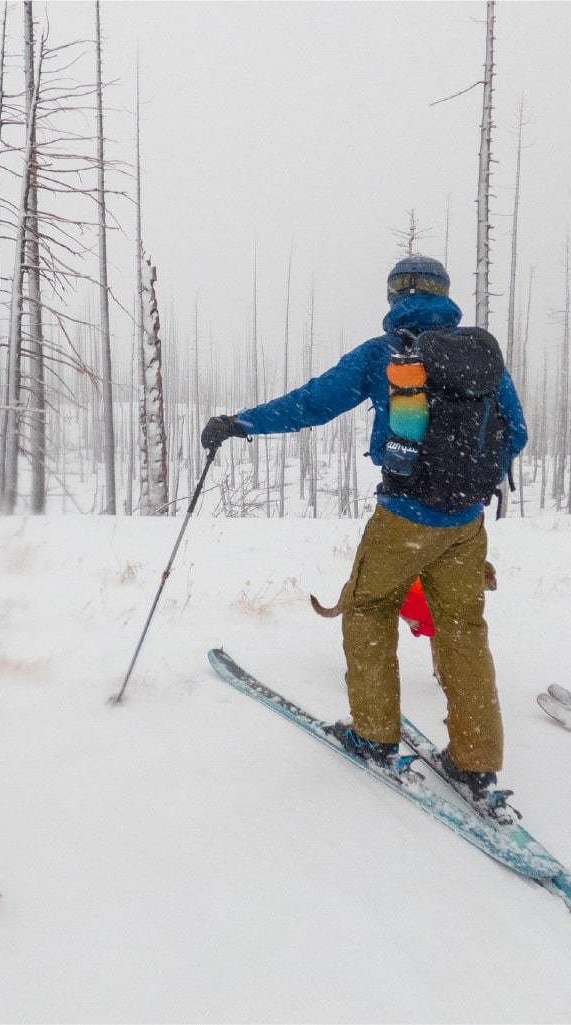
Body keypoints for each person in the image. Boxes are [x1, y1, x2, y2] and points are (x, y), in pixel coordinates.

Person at [201, 255, 526, 801]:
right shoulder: (482, 358)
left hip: (404, 516)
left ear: (396, 297)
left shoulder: (386, 355)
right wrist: (466, 478)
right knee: (464, 629)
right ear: (445, 295)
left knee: (369, 609)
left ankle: (374, 736)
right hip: (468, 523)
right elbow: (515, 432)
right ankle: (475, 761)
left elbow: (312, 404)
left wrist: (242, 422)